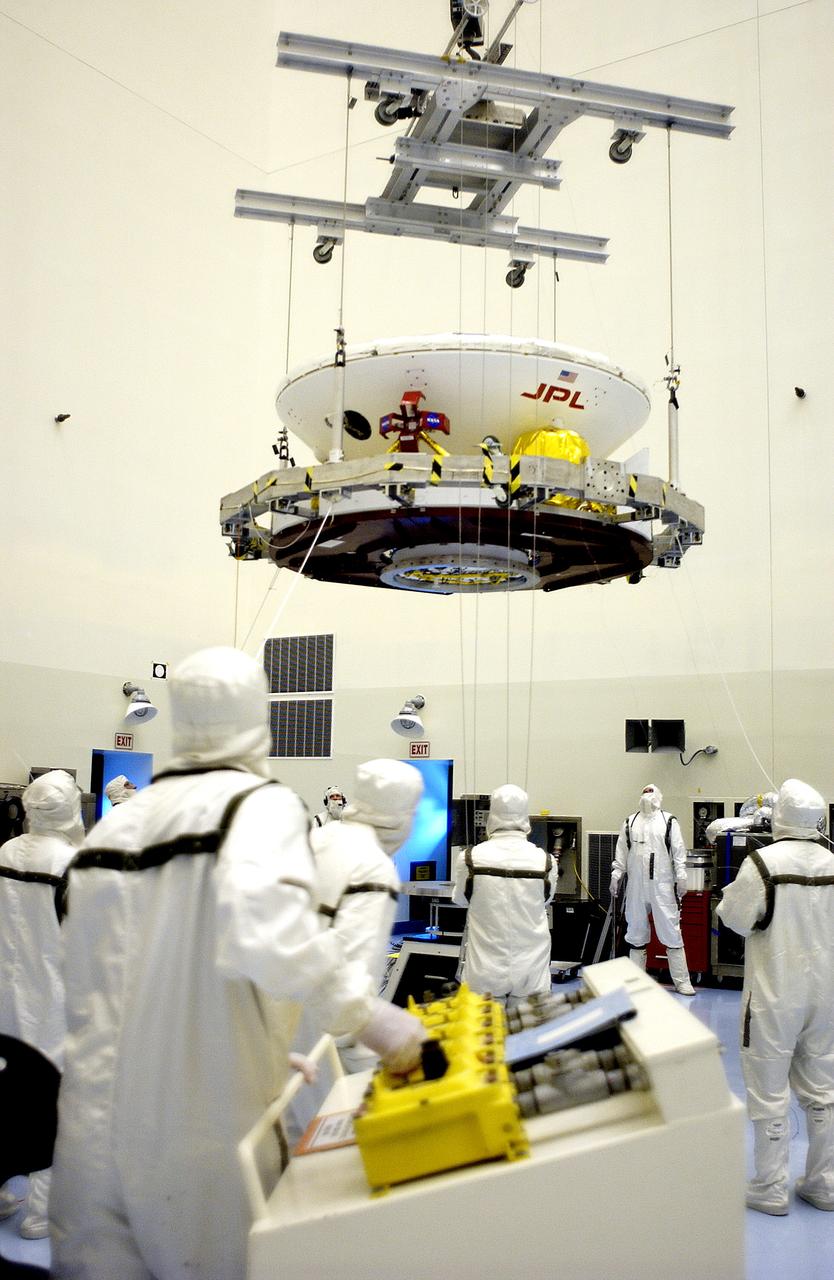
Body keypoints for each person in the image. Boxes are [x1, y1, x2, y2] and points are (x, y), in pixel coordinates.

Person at [49, 647, 425, 1280]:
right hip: (197, 1142)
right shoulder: (258, 806)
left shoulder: (114, 828)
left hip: (88, 1137)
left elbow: (108, 986)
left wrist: (253, 1038)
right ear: (261, 715)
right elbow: (268, 935)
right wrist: (372, 1020)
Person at [717, 778, 834, 1216]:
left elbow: (734, 919)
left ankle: (770, 1188)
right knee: (823, 1090)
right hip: (826, 996)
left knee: (769, 1091)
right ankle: (823, 1184)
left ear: (780, 815)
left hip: (774, 996)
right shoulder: (831, 861)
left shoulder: (763, 864)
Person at [291, 758, 423, 1130]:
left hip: (281, 1020)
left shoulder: (320, 839)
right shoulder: (374, 867)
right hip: (322, 1035)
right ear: (401, 815)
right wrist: (387, 1046)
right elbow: (349, 992)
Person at [0, 769, 84, 1239]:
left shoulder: (5, 851)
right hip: (51, 996)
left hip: (4, 990)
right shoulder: (72, 862)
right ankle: (39, 1213)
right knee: (50, 1098)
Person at [451, 784, 557, 1003]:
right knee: (529, 1037)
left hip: (484, 972)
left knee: (484, 1037)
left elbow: (461, 900)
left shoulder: (469, 859)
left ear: (493, 813)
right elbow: (545, 900)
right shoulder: (546, 861)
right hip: (532, 972)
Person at [609, 783, 694, 995]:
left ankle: (682, 981)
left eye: (651, 792)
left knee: (671, 931)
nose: (648, 796)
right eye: (644, 792)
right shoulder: (631, 822)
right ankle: (635, 981)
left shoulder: (668, 821)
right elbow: (622, 851)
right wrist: (616, 875)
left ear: (659, 796)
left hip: (662, 885)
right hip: (637, 886)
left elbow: (678, 850)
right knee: (636, 932)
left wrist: (681, 876)